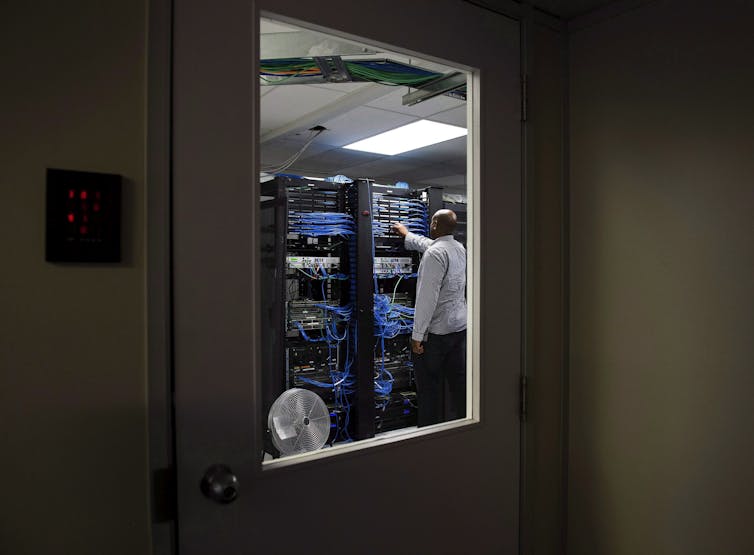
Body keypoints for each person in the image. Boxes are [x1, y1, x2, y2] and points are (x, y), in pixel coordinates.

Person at [392, 210, 466, 426]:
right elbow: (430, 246)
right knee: (458, 384)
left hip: (435, 335)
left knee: (428, 389)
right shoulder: (458, 248)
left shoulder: (435, 254)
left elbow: (426, 299)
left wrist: (417, 336)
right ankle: (462, 429)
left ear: (434, 224)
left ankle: (427, 434)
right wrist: (407, 235)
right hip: (459, 330)